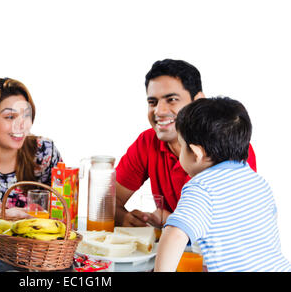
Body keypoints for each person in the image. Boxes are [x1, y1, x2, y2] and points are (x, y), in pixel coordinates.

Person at [115, 59, 257, 228]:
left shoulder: (229, 146)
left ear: (198, 100)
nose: (159, 111)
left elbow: (236, 225)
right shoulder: (147, 142)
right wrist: (123, 218)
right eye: (152, 102)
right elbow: (109, 200)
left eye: (172, 99)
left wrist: (174, 222)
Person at [154, 97, 291, 272]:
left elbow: (174, 235)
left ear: (196, 153)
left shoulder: (202, 188)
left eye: (181, 146)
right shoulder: (258, 182)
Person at [0, 77, 62, 219]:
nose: (21, 125)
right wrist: (3, 215)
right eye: (10, 117)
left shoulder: (44, 152)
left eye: (26, 115)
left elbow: (65, 210)